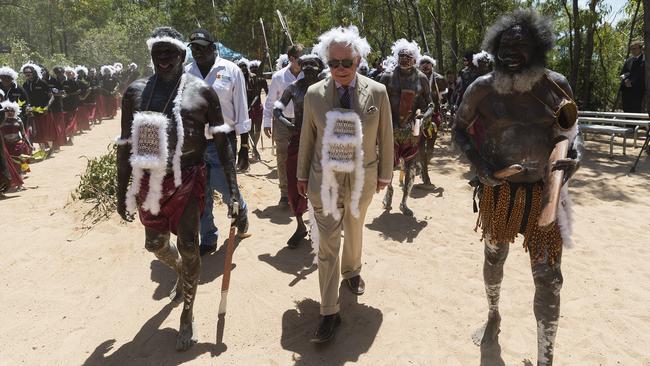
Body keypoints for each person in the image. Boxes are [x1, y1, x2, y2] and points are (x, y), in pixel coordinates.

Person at [453, 10, 583, 365]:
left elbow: (572, 133)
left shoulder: (556, 86)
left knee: (548, 278)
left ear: (537, 50)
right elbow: (458, 130)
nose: (511, 54)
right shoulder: (481, 89)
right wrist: (482, 169)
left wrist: (575, 159)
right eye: (505, 47)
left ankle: (546, 357)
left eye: (520, 46)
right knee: (494, 256)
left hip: (545, 195)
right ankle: (493, 312)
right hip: (501, 193)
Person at [116, 26, 239, 351]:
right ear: (151, 53)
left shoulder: (201, 92)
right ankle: (185, 272)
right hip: (148, 180)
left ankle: (187, 312)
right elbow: (125, 145)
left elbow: (223, 143)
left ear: (181, 55)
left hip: (188, 178)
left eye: (170, 52)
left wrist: (235, 191)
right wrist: (121, 190)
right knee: (155, 245)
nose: (164, 59)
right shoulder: (135, 92)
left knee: (188, 244)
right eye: (159, 52)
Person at [298, 25, 393, 343]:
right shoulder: (314, 95)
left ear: (359, 60)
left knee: (354, 228)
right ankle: (329, 312)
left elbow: (386, 137)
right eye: (333, 63)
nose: (340, 69)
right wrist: (300, 175)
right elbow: (307, 139)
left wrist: (385, 173)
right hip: (323, 181)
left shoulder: (377, 92)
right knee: (327, 247)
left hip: (362, 179)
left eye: (346, 63)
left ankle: (352, 271)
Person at [184, 28, 252, 256]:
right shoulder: (186, 74)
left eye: (203, 47)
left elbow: (241, 109)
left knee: (225, 189)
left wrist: (244, 146)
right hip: (195, 144)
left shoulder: (231, 70)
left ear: (213, 48)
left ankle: (241, 212)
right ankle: (208, 237)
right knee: (200, 193)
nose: (198, 52)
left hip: (223, 143)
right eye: (194, 48)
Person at [273, 54, 324, 248]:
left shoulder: (328, 88)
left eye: (313, 64)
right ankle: (300, 225)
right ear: (300, 66)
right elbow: (278, 110)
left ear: (319, 66)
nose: (309, 68)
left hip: (322, 143)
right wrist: (290, 124)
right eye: (305, 65)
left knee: (321, 184)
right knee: (296, 184)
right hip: (298, 141)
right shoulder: (293, 88)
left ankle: (321, 226)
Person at [380, 39, 433, 215]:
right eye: (401, 56)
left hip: (411, 131)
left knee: (410, 167)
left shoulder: (421, 78)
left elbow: (431, 104)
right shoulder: (387, 77)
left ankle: (404, 201)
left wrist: (423, 117)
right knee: (388, 167)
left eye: (408, 56)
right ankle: (389, 191)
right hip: (390, 130)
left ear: (414, 58)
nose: (404, 59)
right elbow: (378, 101)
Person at [264, 44, 305, 207]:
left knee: (303, 157)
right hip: (281, 122)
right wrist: (267, 122)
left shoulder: (308, 75)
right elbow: (270, 101)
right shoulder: (278, 77)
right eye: (301, 58)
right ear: (292, 59)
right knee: (282, 157)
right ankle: (284, 193)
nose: (304, 61)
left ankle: (302, 192)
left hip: (303, 122)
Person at [417, 55, 447, 185]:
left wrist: (445, 104)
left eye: (427, 63)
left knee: (430, 147)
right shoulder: (414, 78)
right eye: (422, 63)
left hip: (434, 116)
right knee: (420, 145)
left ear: (432, 65)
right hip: (418, 116)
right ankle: (424, 172)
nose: (425, 65)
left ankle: (424, 164)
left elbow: (444, 96)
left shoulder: (439, 79)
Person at [21, 63, 55, 152]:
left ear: (34, 72)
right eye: (25, 73)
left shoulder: (42, 83)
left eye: (29, 72)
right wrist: (27, 108)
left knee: (47, 131)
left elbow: (52, 96)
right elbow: (25, 99)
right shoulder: (25, 85)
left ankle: (51, 149)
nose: (27, 74)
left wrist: (47, 107)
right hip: (33, 112)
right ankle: (43, 151)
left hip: (44, 111)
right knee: (38, 132)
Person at [245, 59, 268, 165]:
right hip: (248, 109)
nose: (254, 71)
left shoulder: (261, 80)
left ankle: (254, 147)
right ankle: (254, 148)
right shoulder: (246, 80)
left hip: (258, 108)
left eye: (256, 69)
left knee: (257, 130)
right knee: (250, 129)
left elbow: (268, 93)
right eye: (252, 69)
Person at [0, 100, 32, 174]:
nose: (10, 112)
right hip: (5, 146)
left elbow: (23, 134)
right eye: (8, 111)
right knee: (9, 164)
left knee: (19, 163)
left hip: (17, 145)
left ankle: (19, 178)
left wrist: (29, 145)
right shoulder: (1, 121)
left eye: (12, 111)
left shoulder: (18, 120)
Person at [620, 40, 645, 113]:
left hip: (637, 90)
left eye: (635, 48)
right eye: (632, 49)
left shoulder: (645, 59)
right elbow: (623, 73)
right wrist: (625, 80)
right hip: (626, 90)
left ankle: (635, 124)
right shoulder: (629, 60)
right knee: (626, 110)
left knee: (635, 110)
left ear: (640, 49)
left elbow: (641, 73)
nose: (633, 51)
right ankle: (628, 124)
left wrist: (631, 81)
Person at [48, 67, 67, 149]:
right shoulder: (50, 81)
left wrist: (54, 94)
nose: (59, 74)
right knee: (51, 126)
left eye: (60, 72)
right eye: (57, 73)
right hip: (49, 106)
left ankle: (58, 144)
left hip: (58, 106)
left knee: (59, 126)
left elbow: (63, 93)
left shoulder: (64, 81)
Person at [62, 67, 81, 141]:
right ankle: (67, 135)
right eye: (67, 73)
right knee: (66, 120)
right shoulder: (63, 82)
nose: (69, 74)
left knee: (72, 120)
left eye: (70, 73)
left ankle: (71, 136)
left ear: (73, 74)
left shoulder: (75, 82)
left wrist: (70, 94)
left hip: (73, 104)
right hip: (64, 104)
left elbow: (79, 91)